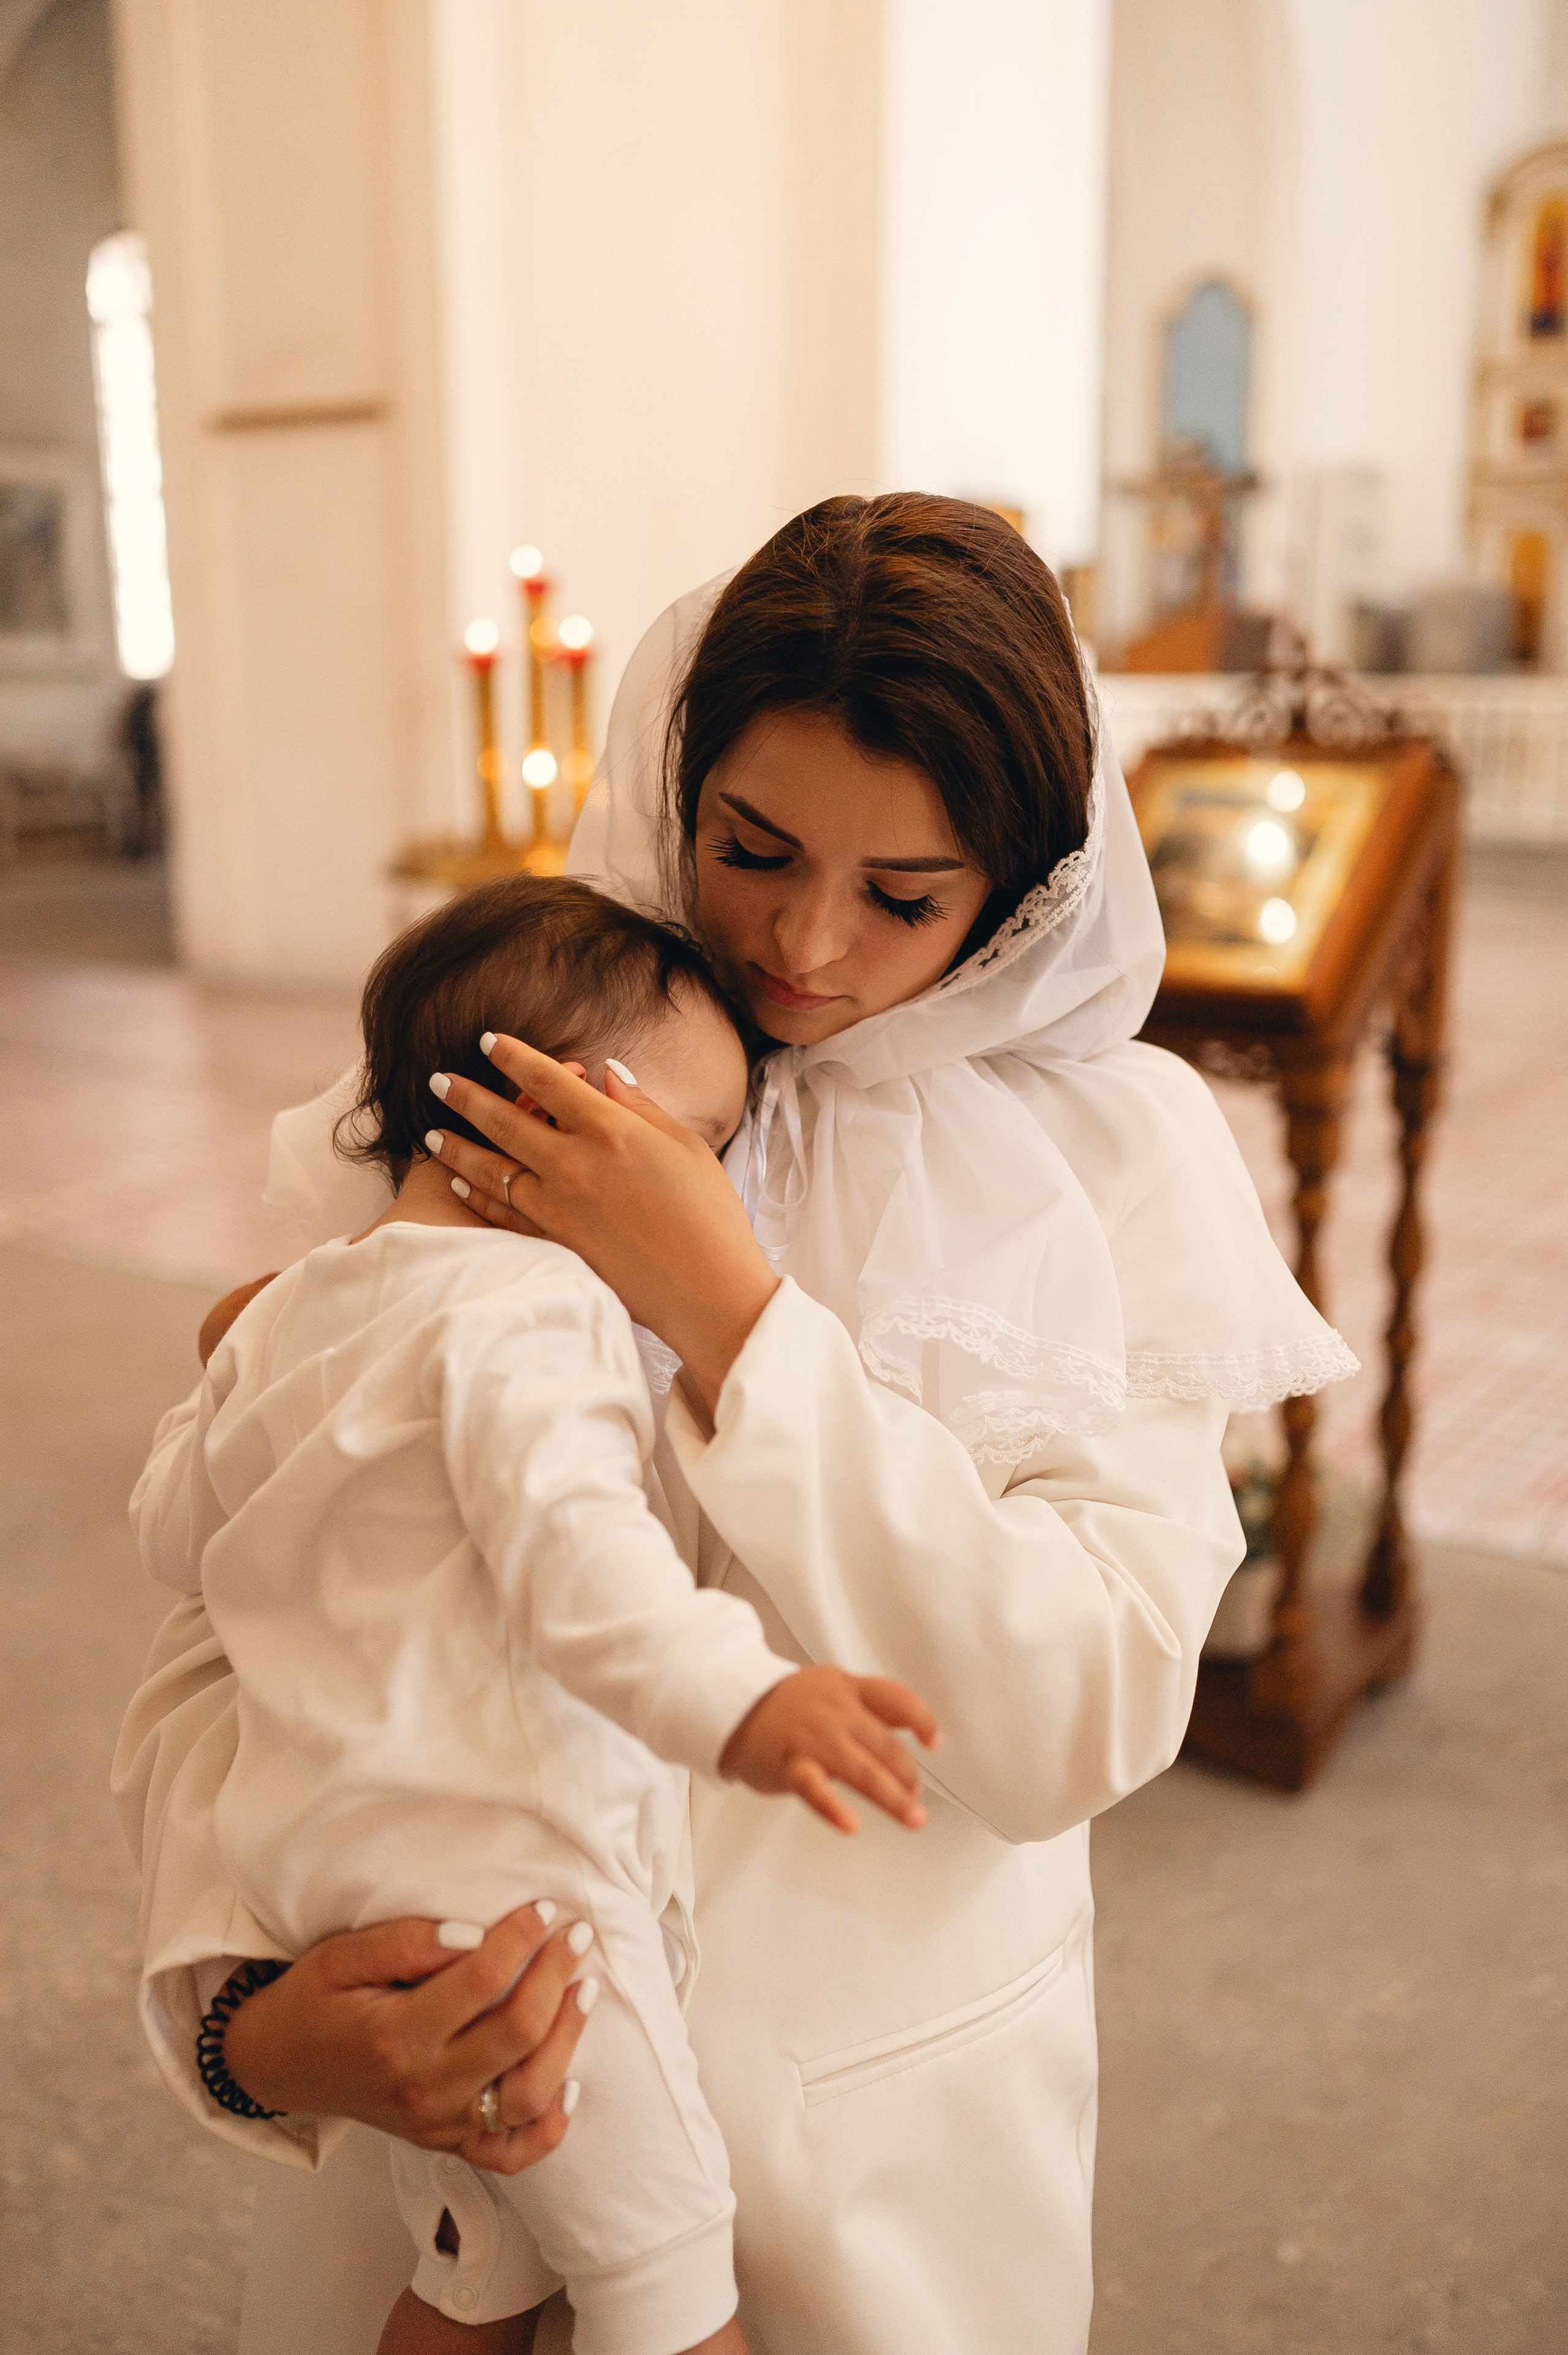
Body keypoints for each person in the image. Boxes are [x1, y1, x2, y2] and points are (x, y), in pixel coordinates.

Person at [115, 494, 1356, 2355]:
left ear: (1016, 887)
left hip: (855, 2146)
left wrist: (738, 1321)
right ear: (680, 781)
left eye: (905, 895)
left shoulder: (1117, 1168)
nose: (804, 944)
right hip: (445, 2109)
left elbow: (1079, 1710)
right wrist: (244, 2014)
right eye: (752, 846)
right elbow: (264, 1593)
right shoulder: (534, 1047)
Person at [129, 875, 936, 2355]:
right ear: (537, 1115)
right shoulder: (528, 1311)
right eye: (685, 1147)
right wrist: (746, 1702)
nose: (703, 1191)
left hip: (343, 1896)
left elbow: (176, 1537)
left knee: (473, 2278)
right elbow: (586, 1565)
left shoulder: (293, 1310)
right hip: (524, 1911)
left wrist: (225, 1384)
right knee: (672, 2280)